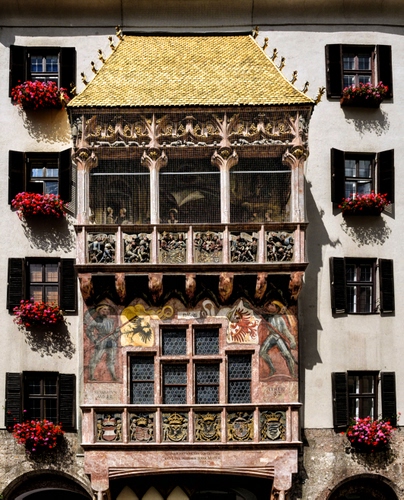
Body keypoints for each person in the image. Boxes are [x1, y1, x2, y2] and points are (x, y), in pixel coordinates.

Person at [259, 300, 297, 377]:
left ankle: (293, 374)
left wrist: (292, 340)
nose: (270, 307)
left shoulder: (280, 319)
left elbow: (285, 331)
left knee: (287, 355)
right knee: (262, 352)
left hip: (279, 337)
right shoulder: (267, 317)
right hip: (272, 336)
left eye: (272, 305)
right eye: (270, 305)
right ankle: (272, 368)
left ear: (276, 308)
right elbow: (261, 312)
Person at [86, 303, 119, 381]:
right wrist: (94, 340)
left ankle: (114, 377)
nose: (106, 311)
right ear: (99, 310)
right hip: (101, 341)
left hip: (111, 341)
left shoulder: (111, 321)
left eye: (107, 309)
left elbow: (115, 333)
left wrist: (116, 332)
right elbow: (88, 331)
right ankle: (91, 376)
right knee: (96, 358)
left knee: (111, 360)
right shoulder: (96, 321)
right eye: (104, 309)